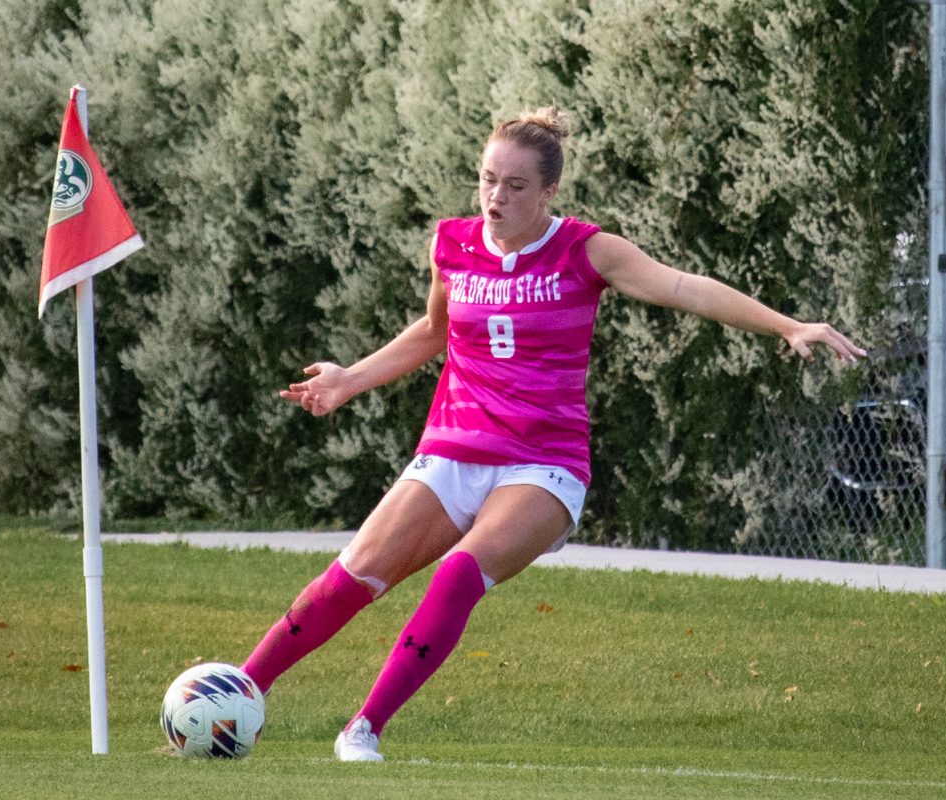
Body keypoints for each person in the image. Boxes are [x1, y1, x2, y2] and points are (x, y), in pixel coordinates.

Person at [241, 107, 866, 762]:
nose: (495, 197)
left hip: (542, 463)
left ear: (548, 193)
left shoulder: (586, 250)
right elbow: (433, 333)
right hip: (454, 443)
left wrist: (788, 325)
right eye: (487, 180)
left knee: (458, 574)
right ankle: (239, 692)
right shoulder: (450, 244)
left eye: (514, 186)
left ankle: (363, 729)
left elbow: (688, 289)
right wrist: (350, 379)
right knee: (352, 578)